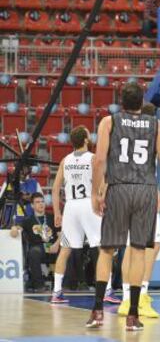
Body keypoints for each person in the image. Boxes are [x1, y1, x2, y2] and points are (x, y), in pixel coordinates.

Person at [86, 83, 160, 331]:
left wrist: (97, 192)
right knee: (139, 251)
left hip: (118, 187)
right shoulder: (156, 124)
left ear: (122, 101)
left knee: (107, 250)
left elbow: (98, 161)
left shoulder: (109, 122)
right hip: (145, 190)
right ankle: (132, 315)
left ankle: (97, 311)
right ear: (142, 101)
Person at [51, 126, 119, 304]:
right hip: (89, 204)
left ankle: (56, 291)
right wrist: (102, 199)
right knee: (103, 248)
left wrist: (57, 212)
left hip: (71, 206)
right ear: (86, 140)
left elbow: (56, 188)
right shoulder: (93, 158)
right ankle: (107, 290)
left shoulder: (65, 160)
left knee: (65, 250)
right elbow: (103, 185)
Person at [118, 103, 160, 319]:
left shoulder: (123, 130)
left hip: (124, 191)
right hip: (144, 192)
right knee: (149, 246)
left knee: (129, 247)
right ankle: (141, 296)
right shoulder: (154, 131)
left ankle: (126, 299)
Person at [10, 192, 60, 292]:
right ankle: (39, 286)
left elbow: (61, 234)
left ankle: (65, 285)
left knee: (67, 251)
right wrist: (14, 228)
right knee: (34, 252)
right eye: (37, 202)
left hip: (53, 247)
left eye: (42, 201)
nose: (41, 204)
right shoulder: (28, 220)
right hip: (38, 249)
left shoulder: (52, 217)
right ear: (32, 205)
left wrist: (56, 245)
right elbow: (16, 228)